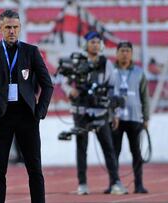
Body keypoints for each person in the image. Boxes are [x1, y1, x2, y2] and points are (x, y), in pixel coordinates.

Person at [0, 9, 53, 203]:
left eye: (15, 27)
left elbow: (48, 85)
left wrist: (40, 112)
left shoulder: (31, 51)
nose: (12, 31)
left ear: (20, 28)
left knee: (35, 170)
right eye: (8, 27)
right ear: (0, 28)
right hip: (1, 117)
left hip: (27, 116)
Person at [61, 31, 128, 195]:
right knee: (81, 148)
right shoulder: (77, 61)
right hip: (81, 112)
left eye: (98, 42)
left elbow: (114, 88)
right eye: (92, 42)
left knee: (108, 147)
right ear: (86, 44)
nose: (95, 45)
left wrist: (116, 113)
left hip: (100, 112)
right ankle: (82, 183)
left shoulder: (107, 64)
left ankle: (115, 182)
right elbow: (64, 80)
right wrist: (71, 90)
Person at [112, 41, 150, 194]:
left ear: (132, 53)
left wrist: (146, 118)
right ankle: (114, 183)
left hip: (135, 117)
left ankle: (139, 184)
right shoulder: (110, 71)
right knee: (114, 152)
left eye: (128, 51)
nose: (124, 53)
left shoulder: (139, 72)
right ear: (117, 53)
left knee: (136, 152)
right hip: (116, 118)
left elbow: (145, 96)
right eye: (122, 50)